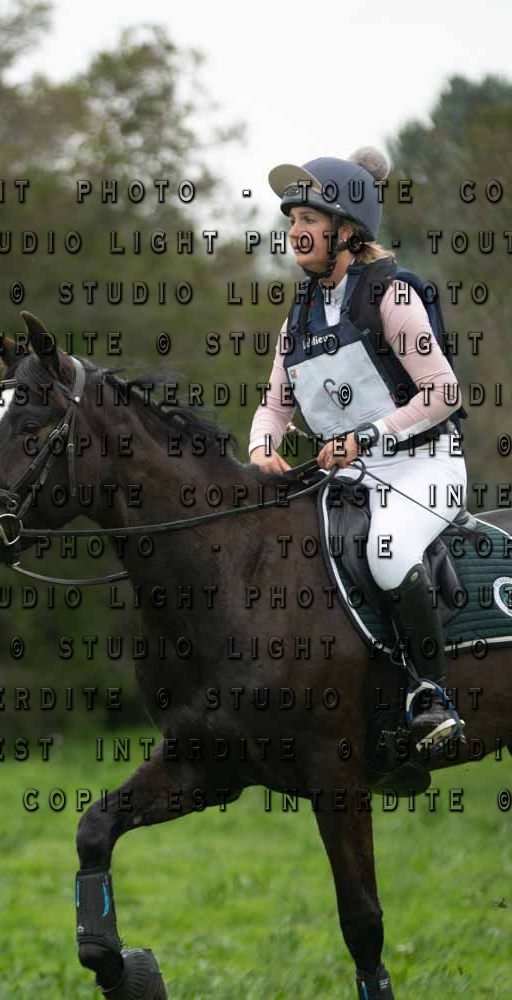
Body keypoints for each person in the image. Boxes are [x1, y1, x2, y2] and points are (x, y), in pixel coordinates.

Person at [249, 146, 467, 753]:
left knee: (387, 552)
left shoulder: (392, 296)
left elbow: (444, 392)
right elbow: (274, 407)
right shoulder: (297, 320)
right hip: (348, 478)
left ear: (346, 232)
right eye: (292, 220)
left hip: (425, 465)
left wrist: (364, 438)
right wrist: (262, 446)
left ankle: (431, 695)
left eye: (308, 220)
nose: (295, 232)